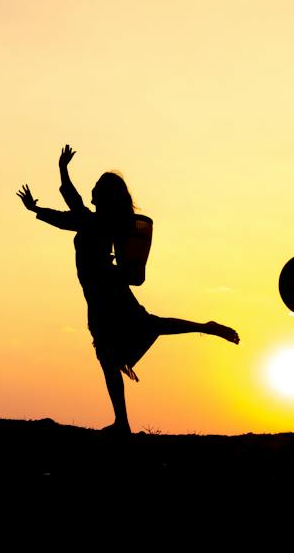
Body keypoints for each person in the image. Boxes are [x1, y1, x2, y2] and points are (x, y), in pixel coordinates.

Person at [18, 144, 238, 434]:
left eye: (97, 186)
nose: (92, 189)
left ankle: (123, 421)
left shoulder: (93, 221)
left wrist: (62, 169)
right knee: (122, 345)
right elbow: (63, 216)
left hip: (105, 290)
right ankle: (122, 421)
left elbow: (70, 202)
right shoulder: (94, 221)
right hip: (100, 292)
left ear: (104, 196)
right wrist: (36, 208)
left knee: (120, 345)